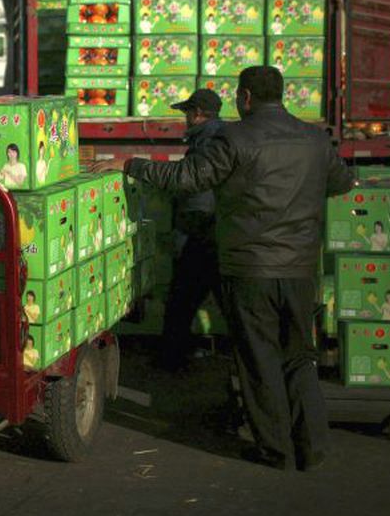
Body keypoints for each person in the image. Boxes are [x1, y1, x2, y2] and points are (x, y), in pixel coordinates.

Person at [95, 66, 353, 471]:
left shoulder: (235, 138)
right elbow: (342, 182)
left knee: (259, 357)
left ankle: (276, 449)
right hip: (301, 268)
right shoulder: (314, 139)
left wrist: (132, 165)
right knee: (300, 356)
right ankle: (313, 445)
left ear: (245, 97)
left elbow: (187, 178)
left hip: (250, 266)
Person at [159, 89, 226, 372]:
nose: (184, 119)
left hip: (202, 233)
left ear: (197, 113)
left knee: (182, 299)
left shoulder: (207, 142)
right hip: (214, 231)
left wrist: (185, 229)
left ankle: (172, 360)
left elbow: (199, 193)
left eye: (187, 113)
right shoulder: (216, 137)